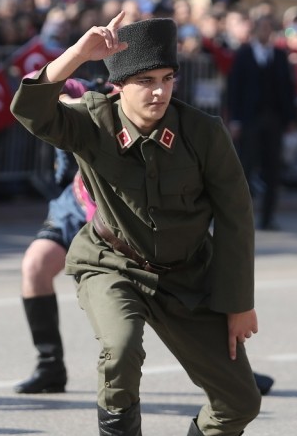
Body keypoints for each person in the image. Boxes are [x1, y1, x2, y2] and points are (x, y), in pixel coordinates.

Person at [11, 14, 261, 436]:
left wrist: (237, 304)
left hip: (186, 276)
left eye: (167, 79)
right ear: (118, 85)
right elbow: (30, 110)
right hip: (112, 265)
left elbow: (235, 219)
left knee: (239, 401)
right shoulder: (91, 120)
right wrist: (77, 56)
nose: (159, 92)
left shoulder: (202, 132)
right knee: (121, 349)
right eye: (145, 81)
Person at [14, 78, 277, 399]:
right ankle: (49, 365)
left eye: (164, 78)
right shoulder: (85, 92)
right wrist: (70, 78)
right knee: (35, 265)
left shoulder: (145, 109)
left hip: (131, 206)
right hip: (83, 200)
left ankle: (232, 369)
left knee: (183, 284)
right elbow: (47, 96)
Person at [226, 13, 297, 230]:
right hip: (250, 120)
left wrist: (291, 118)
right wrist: (235, 119)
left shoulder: (279, 55)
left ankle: (268, 217)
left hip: (273, 119)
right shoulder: (244, 55)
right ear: (255, 31)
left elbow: (287, 88)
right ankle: (241, 217)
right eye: (262, 28)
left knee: (272, 170)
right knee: (246, 168)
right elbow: (234, 89)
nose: (265, 32)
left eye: (269, 28)